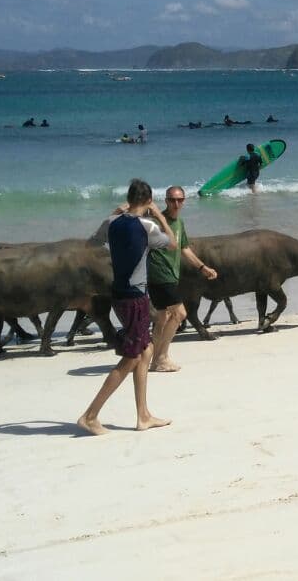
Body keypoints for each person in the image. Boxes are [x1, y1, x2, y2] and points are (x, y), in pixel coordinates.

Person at [78, 179, 176, 436]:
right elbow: (173, 243)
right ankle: (90, 415)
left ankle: (143, 415)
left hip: (119, 296)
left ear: (128, 199)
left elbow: (91, 244)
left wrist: (115, 212)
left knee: (146, 350)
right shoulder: (147, 225)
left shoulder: (111, 223)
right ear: (147, 201)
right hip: (135, 298)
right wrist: (158, 215)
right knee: (133, 356)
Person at [147, 185, 218, 373]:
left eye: (179, 200)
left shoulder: (179, 223)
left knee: (162, 318)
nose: (176, 203)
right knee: (180, 314)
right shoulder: (155, 221)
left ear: (184, 201)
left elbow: (184, 248)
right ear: (166, 201)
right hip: (160, 274)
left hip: (170, 275)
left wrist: (203, 267)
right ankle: (162, 357)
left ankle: (154, 360)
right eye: (172, 200)